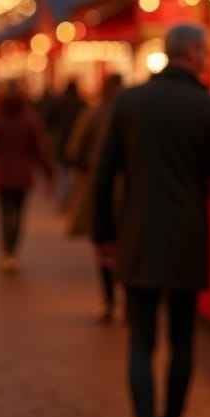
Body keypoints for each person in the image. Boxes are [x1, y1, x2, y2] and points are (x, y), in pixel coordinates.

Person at [94, 23, 210, 417]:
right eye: (206, 51)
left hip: (136, 233)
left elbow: (104, 174)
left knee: (140, 340)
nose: (207, 57)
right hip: (186, 235)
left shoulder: (129, 102)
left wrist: (103, 235)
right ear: (191, 53)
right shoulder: (208, 108)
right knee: (182, 338)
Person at [66, 71, 124, 322]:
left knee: (103, 242)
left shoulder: (92, 115)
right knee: (126, 243)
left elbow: (74, 151)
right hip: (130, 190)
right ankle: (127, 298)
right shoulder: (133, 117)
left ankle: (109, 299)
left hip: (97, 187)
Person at [0, 78, 52, 272]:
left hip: (1, 173)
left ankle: (6, 251)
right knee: (19, 214)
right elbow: (39, 148)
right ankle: (13, 251)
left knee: (4, 213)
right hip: (22, 174)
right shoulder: (29, 117)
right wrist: (48, 173)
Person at [42, 78, 87, 210]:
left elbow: (47, 120)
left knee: (62, 173)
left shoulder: (59, 103)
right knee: (72, 173)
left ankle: (63, 200)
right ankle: (70, 200)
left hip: (61, 141)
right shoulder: (81, 104)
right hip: (77, 142)